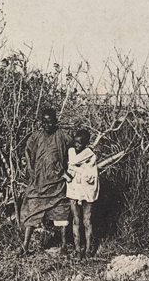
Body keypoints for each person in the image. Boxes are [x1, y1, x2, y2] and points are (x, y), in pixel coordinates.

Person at [19, 108, 72, 255]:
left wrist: (69, 169)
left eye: (49, 122)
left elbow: (74, 148)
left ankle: (63, 246)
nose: (46, 125)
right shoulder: (36, 136)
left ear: (55, 121)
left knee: (61, 213)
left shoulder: (62, 136)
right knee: (31, 210)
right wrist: (30, 168)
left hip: (57, 183)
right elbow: (27, 150)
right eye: (44, 122)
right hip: (38, 182)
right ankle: (25, 246)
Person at [65, 128, 99, 258]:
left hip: (87, 190)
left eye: (80, 143)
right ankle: (78, 249)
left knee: (87, 221)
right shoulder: (72, 151)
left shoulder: (89, 154)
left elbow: (75, 164)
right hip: (74, 189)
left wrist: (76, 170)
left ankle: (89, 249)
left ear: (85, 144)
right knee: (76, 220)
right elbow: (72, 162)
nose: (77, 145)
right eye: (76, 142)